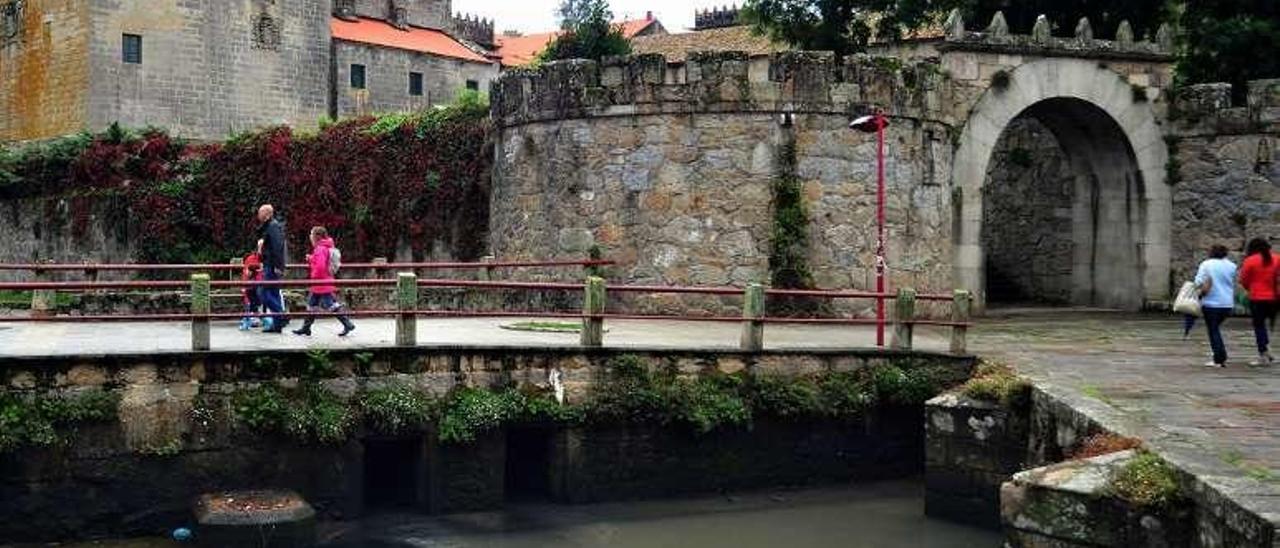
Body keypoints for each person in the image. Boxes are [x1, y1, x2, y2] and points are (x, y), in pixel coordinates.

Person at [293, 226, 355, 337]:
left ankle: (347, 323)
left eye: (311, 235)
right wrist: (312, 258)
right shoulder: (324, 247)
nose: (310, 237)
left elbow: (321, 266)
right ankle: (306, 328)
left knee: (329, 304)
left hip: (320, 281)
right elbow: (322, 261)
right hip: (324, 280)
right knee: (312, 304)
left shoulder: (320, 248)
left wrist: (314, 275)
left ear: (317, 236)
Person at [1196, 244, 1238, 368]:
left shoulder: (1206, 264)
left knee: (1213, 330)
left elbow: (1199, 281)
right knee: (1215, 329)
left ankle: (1219, 357)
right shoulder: (1231, 266)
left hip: (1211, 302)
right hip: (1227, 303)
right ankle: (1218, 354)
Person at [1238, 238, 1278, 365]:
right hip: (1274, 297)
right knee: (1269, 324)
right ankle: (1267, 349)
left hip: (1257, 297)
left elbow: (1244, 279)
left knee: (1259, 326)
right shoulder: (1277, 259)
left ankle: (1263, 353)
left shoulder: (1250, 261)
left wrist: (1250, 288)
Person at [256, 204, 289, 333]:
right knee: (274, 294)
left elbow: (277, 247)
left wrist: (278, 265)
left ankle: (281, 315)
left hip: (271, 265)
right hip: (270, 264)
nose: (258, 215)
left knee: (262, 292)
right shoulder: (269, 226)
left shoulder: (273, 226)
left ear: (268, 214)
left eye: (260, 213)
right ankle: (277, 324)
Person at [238, 247, 265, 331]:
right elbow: (246, 272)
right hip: (254, 284)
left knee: (258, 291)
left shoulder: (269, 258)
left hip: (263, 284)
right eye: (259, 246)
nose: (261, 248)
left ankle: (256, 316)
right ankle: (252, 316)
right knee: (250, 290)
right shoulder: (250, 259)